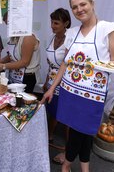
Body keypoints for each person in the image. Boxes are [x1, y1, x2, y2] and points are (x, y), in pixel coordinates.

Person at [41, 0, 114, 172]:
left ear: (92, 3)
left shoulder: (109, 29)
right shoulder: (72, 33)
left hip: (92, 93)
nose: (79, 9)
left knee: (82, 131)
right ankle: (85, 167)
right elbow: (65, 63)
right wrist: (51, 88)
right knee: (81, 132)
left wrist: (104, 65)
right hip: (69, 90)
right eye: (75, 7)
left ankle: (67, 164)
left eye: (83, 4)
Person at [42, 8, 71, 164]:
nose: (52, 25)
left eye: (56, 23)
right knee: (52, 109)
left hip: (64, 82)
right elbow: (51, 64)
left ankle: (68, 150)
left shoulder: (69, 41)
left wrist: (54, 84)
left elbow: (66, 65)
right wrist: (47, 81)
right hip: (52, 79)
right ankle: (49, 135)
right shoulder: (52, 37)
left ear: (66, 23)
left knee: (65, 116)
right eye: (52, 22)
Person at [0, 12, 41, 96]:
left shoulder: (28, 37)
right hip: (15, 75)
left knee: (23, 102)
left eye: (9, 24)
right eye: (7, 24)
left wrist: (3, 66)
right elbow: (11, 55)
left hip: (28, 77)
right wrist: (0, 61)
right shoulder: (14, 36)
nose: (9, 27)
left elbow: (24, 62)